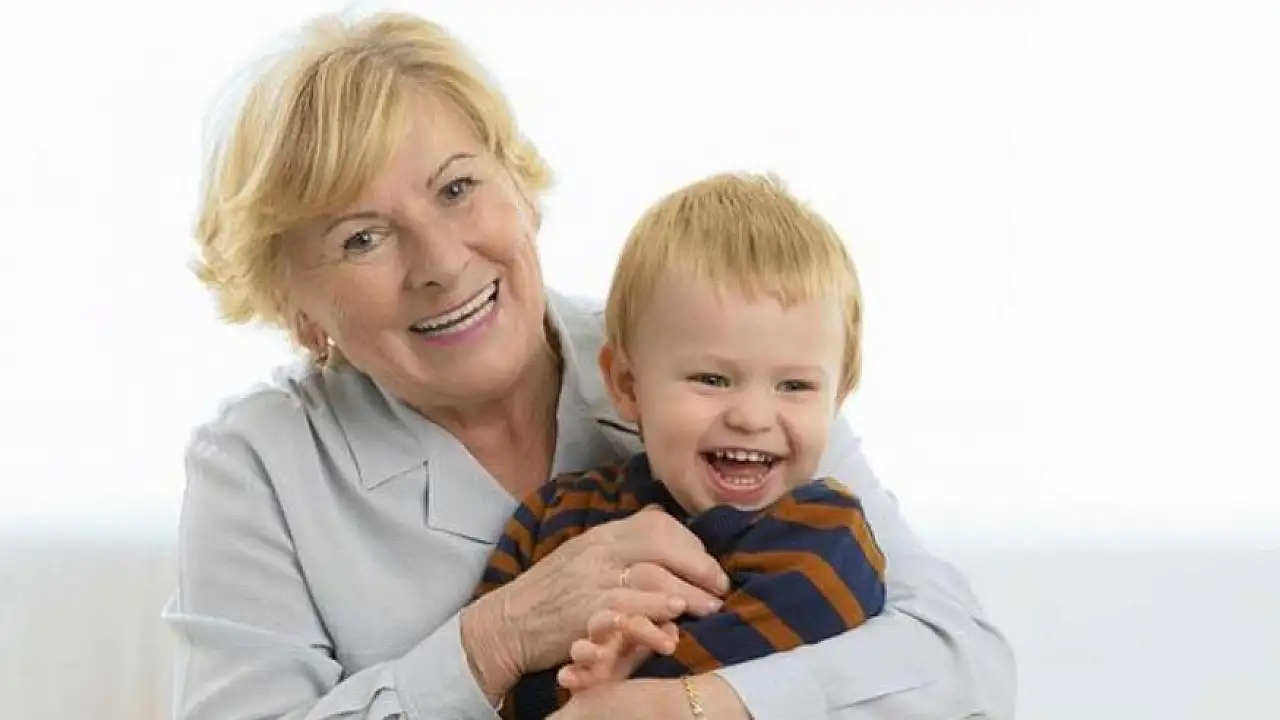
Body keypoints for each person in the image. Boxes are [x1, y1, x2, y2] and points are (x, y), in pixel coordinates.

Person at [163, 10, 1015, 720]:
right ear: (297, 308)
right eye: (362, 238)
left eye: (457, 188)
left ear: (520, 186)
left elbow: (962, 660)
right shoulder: (259, 465)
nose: (441, 263)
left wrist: (692, 707)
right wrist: (494, 640)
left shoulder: (707, 356)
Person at [475, 172, 889, 719]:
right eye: (711, 380)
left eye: (794, 386)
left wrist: (617, 689)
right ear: (627, 385)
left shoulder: (826, 534)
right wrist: (569, 688)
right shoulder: (554, 517)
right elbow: (485, 694)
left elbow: (772, 650)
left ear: (839, 396)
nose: (751, 417)